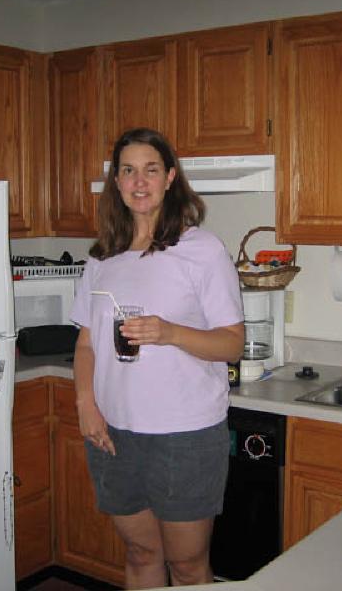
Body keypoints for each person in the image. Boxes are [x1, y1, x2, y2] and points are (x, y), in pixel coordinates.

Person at [70, 127, 244, 588]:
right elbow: (86, 343)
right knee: (141, 553)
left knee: (187, 566)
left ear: (169, 178)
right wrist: (86, 405)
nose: (139, 181)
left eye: (150, 170)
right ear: (116, 181)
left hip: (184, 436)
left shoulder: (201, 250)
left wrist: (169, 333)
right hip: (113, 433)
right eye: (128, 171)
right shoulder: (102, 258)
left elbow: (232, 343)